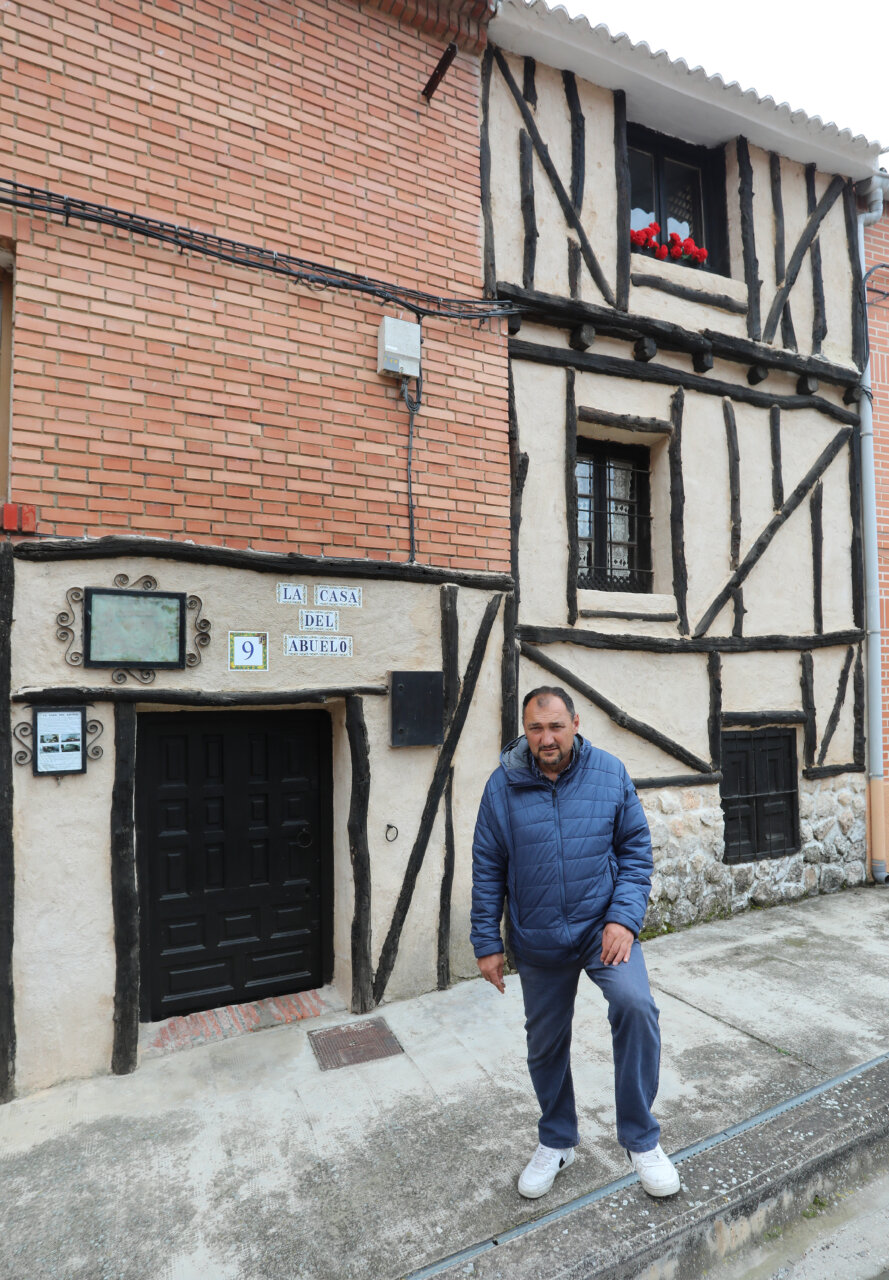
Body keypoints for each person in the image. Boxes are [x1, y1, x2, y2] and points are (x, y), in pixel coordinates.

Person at [470, 685, 680, 1200]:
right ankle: (557, 1139)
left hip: (600, 929)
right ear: (525, 730)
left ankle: (640, 1139)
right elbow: (487, 867)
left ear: (576, 723)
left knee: (635, 1006)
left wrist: (624, 921)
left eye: (556, 726)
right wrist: (486, 942)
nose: (546, 738)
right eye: (536, 728)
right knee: (544, 1044)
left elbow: (635, 852)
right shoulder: (502, 787)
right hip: (537, 938)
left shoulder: (609, 773)